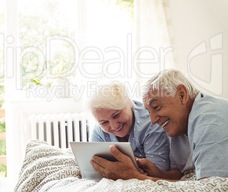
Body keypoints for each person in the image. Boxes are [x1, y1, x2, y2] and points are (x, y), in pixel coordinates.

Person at [91, 70, 228, 181]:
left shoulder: (209, 118)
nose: (152, 120)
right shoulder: (178, 127)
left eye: (156, 107)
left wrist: (134, 177)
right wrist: (159, 175)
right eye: (148, 111)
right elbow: (178, 175)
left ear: (182, 94)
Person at [89, 80, 170, 175]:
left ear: (129, 102)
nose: (114, 126)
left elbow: (159, 171)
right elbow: (93, 167)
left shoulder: (151, 123)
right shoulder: (98, 130)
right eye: (104, 122)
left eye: (116, 115)